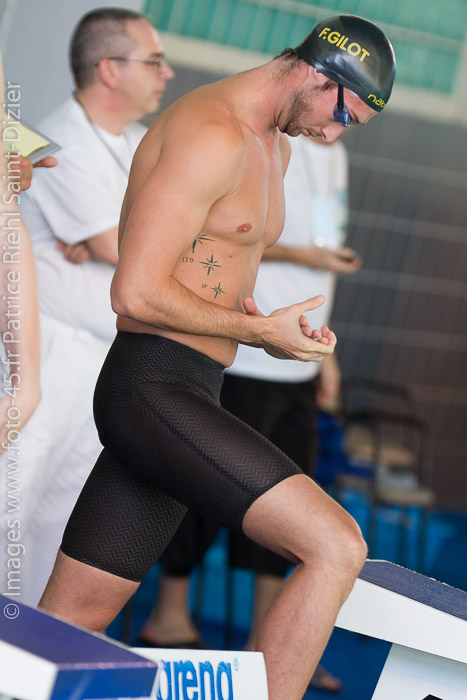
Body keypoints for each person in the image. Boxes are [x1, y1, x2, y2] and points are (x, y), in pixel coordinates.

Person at [40, 15, 396, 699]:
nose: (333, 135)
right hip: (152, 388)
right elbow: (134, 292)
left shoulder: (275, 145)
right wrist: (257, 334)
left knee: (71, 622)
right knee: (336, 546)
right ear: (316, 74)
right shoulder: (209, 132)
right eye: (341, 116)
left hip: (193, 386)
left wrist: (269, 324)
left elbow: (218, 259)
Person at [140, 134, 360, 692]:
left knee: (294, 506)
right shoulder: (265, 144)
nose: (340, 125)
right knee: (204, 491)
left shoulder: (334, 153)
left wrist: (327, 360)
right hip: (249, 355)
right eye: (342, 109)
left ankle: (273, 641)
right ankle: (169, 616)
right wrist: (305, 257)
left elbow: (321, 265)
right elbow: (233, 238)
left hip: (298, 365)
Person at [10, 7, 174, 605]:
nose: (167, 73)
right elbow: (125, 249)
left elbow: (174, 238)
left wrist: (128, 242)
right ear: (108, 69)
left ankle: (21, 644)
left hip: (102, 357)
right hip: (48, 350)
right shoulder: (66, 140)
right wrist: (126, 243)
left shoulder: (136, 143)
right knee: (12, 504)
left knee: (58, 517)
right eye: (154, 61)